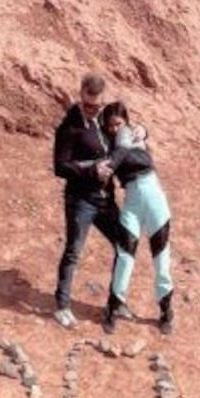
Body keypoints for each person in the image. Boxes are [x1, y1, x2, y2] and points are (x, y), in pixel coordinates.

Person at [52, 73, 133, 329]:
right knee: (74, 252)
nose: (91, 110)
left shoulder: (104, 120)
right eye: (87, 105)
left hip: (105, 199)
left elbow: (125, 129)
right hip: (81, 201)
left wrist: (141, 132)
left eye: (96, 106)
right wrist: (91, 171)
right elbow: (60, 167)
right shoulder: (69, 128)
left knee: (124, 245)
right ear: (81, 96)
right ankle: (62, 305)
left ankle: (117, 301)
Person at [96, 101, 174, 336]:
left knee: (161, 256)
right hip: (132, 198)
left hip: (153, 194)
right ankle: (114, 305)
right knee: (125, 255)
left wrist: (109, 163)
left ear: (126, 122)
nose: (114, 129)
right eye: (110, 125)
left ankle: (166, 310)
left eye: (118, 123)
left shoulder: (129, 133)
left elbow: (124, 148)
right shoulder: (113, 141)